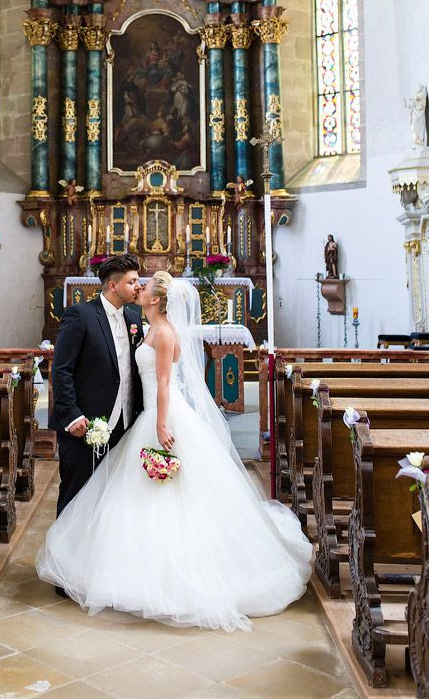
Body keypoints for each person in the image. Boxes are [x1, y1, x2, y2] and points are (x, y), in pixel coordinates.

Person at [37, 272, 313, 630]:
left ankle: (168, 577)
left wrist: (162, 424)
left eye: (145, 286)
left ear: (156, 299)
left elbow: (165, 382)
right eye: (137, 282)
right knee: (132, 497)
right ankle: (134, 567)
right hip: (146, 416)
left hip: (162, 418)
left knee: (167, 499)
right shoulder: (146, 324)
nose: (140, 288)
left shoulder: (164, 331)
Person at [49, 254, 145, 518]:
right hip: (84, 424)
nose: (139, 286)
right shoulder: (80, 315)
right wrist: (71, 414)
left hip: (123, 425)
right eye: (132, 281)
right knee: (76, 495)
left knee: (110, 499)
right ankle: (63, 557)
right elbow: (62, 369)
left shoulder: (134, 320)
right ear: (113, 286)